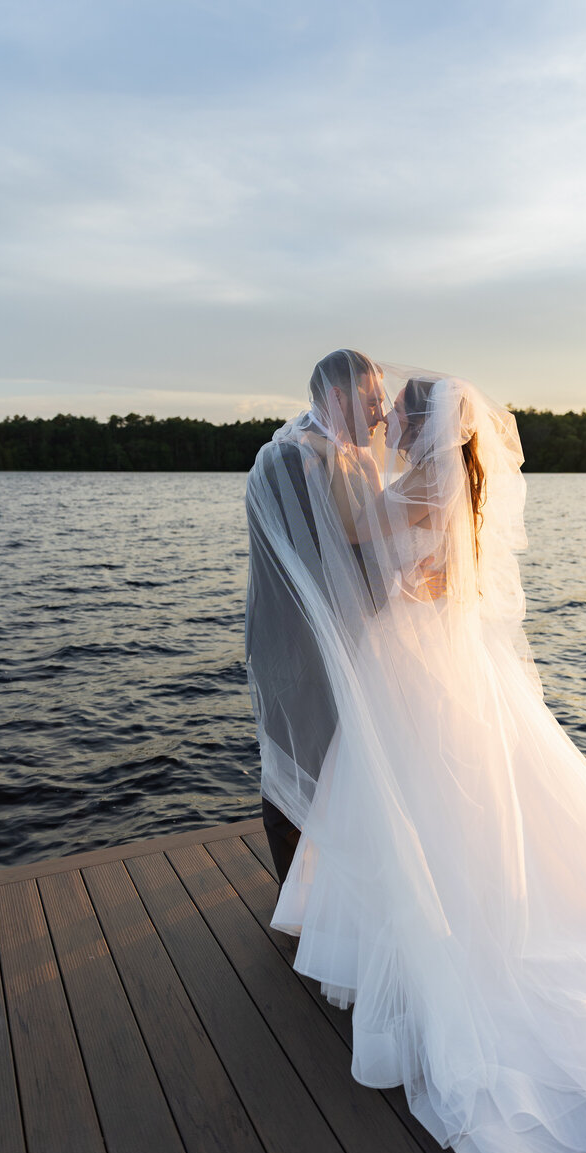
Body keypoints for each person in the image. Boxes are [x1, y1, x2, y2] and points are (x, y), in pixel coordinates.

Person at [245, 358, 586, 1153]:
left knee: (415, 803)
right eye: (376, 408)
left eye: (397, 413)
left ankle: (428, 930)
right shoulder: (447, 484)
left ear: (426, 425)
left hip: (408, 669)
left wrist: (347, 497)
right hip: (430, 664)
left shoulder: (410, 488)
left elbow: (368, 558)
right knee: (437, 805)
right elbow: (415, 570)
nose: (386, 423)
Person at [244, 348, 386, 890]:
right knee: (292, 763)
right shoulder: (288, 458)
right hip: (294, 641)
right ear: (336, 397)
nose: (381, 413)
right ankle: (298, 898)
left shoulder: (355, 457)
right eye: (372, 400)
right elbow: (317, 560)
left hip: (347, 639)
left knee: (343, 760)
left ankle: (334, 888)